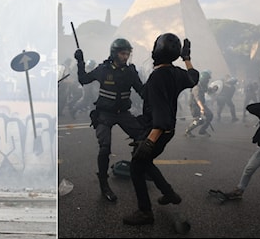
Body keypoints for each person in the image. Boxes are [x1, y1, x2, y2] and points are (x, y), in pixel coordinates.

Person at [122, 33, 199, 226]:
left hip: (156, 130)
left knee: (137, 167)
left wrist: (148, 142)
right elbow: (193, 78)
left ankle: (145, 212)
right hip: (168, 131)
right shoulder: (177, 73)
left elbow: (160, 116)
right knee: (146, 163)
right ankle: (169, 193)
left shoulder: (157, 77)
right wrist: (187, 59)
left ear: (156, 50)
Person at [74, 38, 144, 202]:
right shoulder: (103, 69)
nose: (125, 57)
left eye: (127, 53)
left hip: (123, 113)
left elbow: (142, 91)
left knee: (142, 138)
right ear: (114, 53)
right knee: (105, 148)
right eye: (122, 53)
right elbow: (83, 79)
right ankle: (104, 184)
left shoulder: (130, 72)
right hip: (105, 114)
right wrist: (80, 62)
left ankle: (137, 170)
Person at [184, 70, 218, 137]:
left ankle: (202, 130)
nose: (208, 80)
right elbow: (197, 99)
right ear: (204, 79)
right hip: (194, 105)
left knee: (210, 115)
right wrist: (202, 108)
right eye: (207, 79)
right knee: (199, 120)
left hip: (200, 104)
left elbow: (208, 91)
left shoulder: (203, 85)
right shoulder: (196, 87)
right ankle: (188, 131)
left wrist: (214, 89)